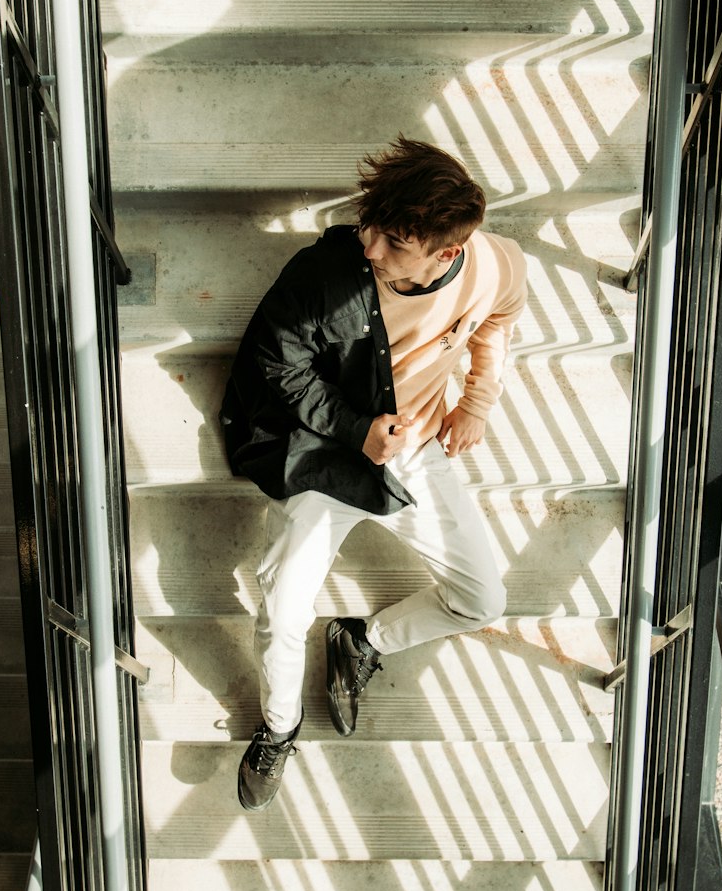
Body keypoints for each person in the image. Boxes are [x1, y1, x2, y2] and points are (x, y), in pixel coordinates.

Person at [220, 136, 529, 811]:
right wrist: (357, 429)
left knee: (483, 600)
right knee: (281, 610)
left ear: (446, 253)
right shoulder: (324, 275)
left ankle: (362, 639)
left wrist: (477, 401)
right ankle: (279, 727)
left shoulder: (494, 265)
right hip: (328, 458)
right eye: (370, 226)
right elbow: (276, 363)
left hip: (417, 451)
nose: (369, 248)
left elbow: (501, 316)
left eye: (392, 242)